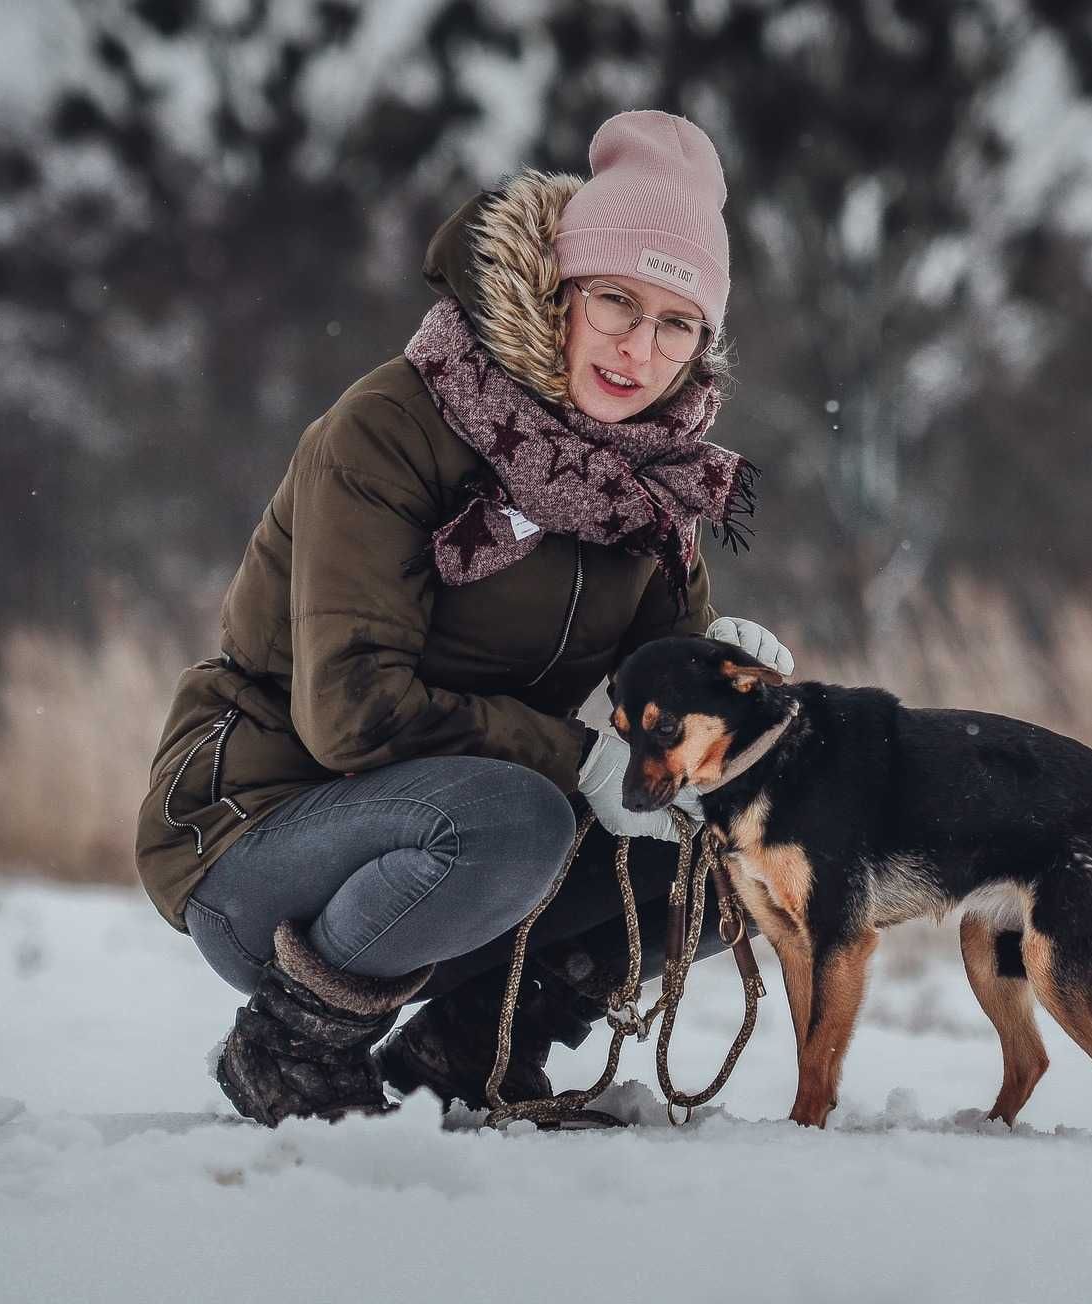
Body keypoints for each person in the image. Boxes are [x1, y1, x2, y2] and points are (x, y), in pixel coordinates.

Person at [134, 110, 794, 1126]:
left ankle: (478, 1045)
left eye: (675, 322)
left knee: (750, 828)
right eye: (614, 299)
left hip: (481, 866)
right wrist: (585, 754)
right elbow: (352, 712)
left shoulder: (653, 485)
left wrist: (732, 697)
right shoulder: (395, 424)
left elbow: (659, 688)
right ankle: (297, 1041)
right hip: (268, 834)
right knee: (511, 813)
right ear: (556, 291)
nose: (637, 346)